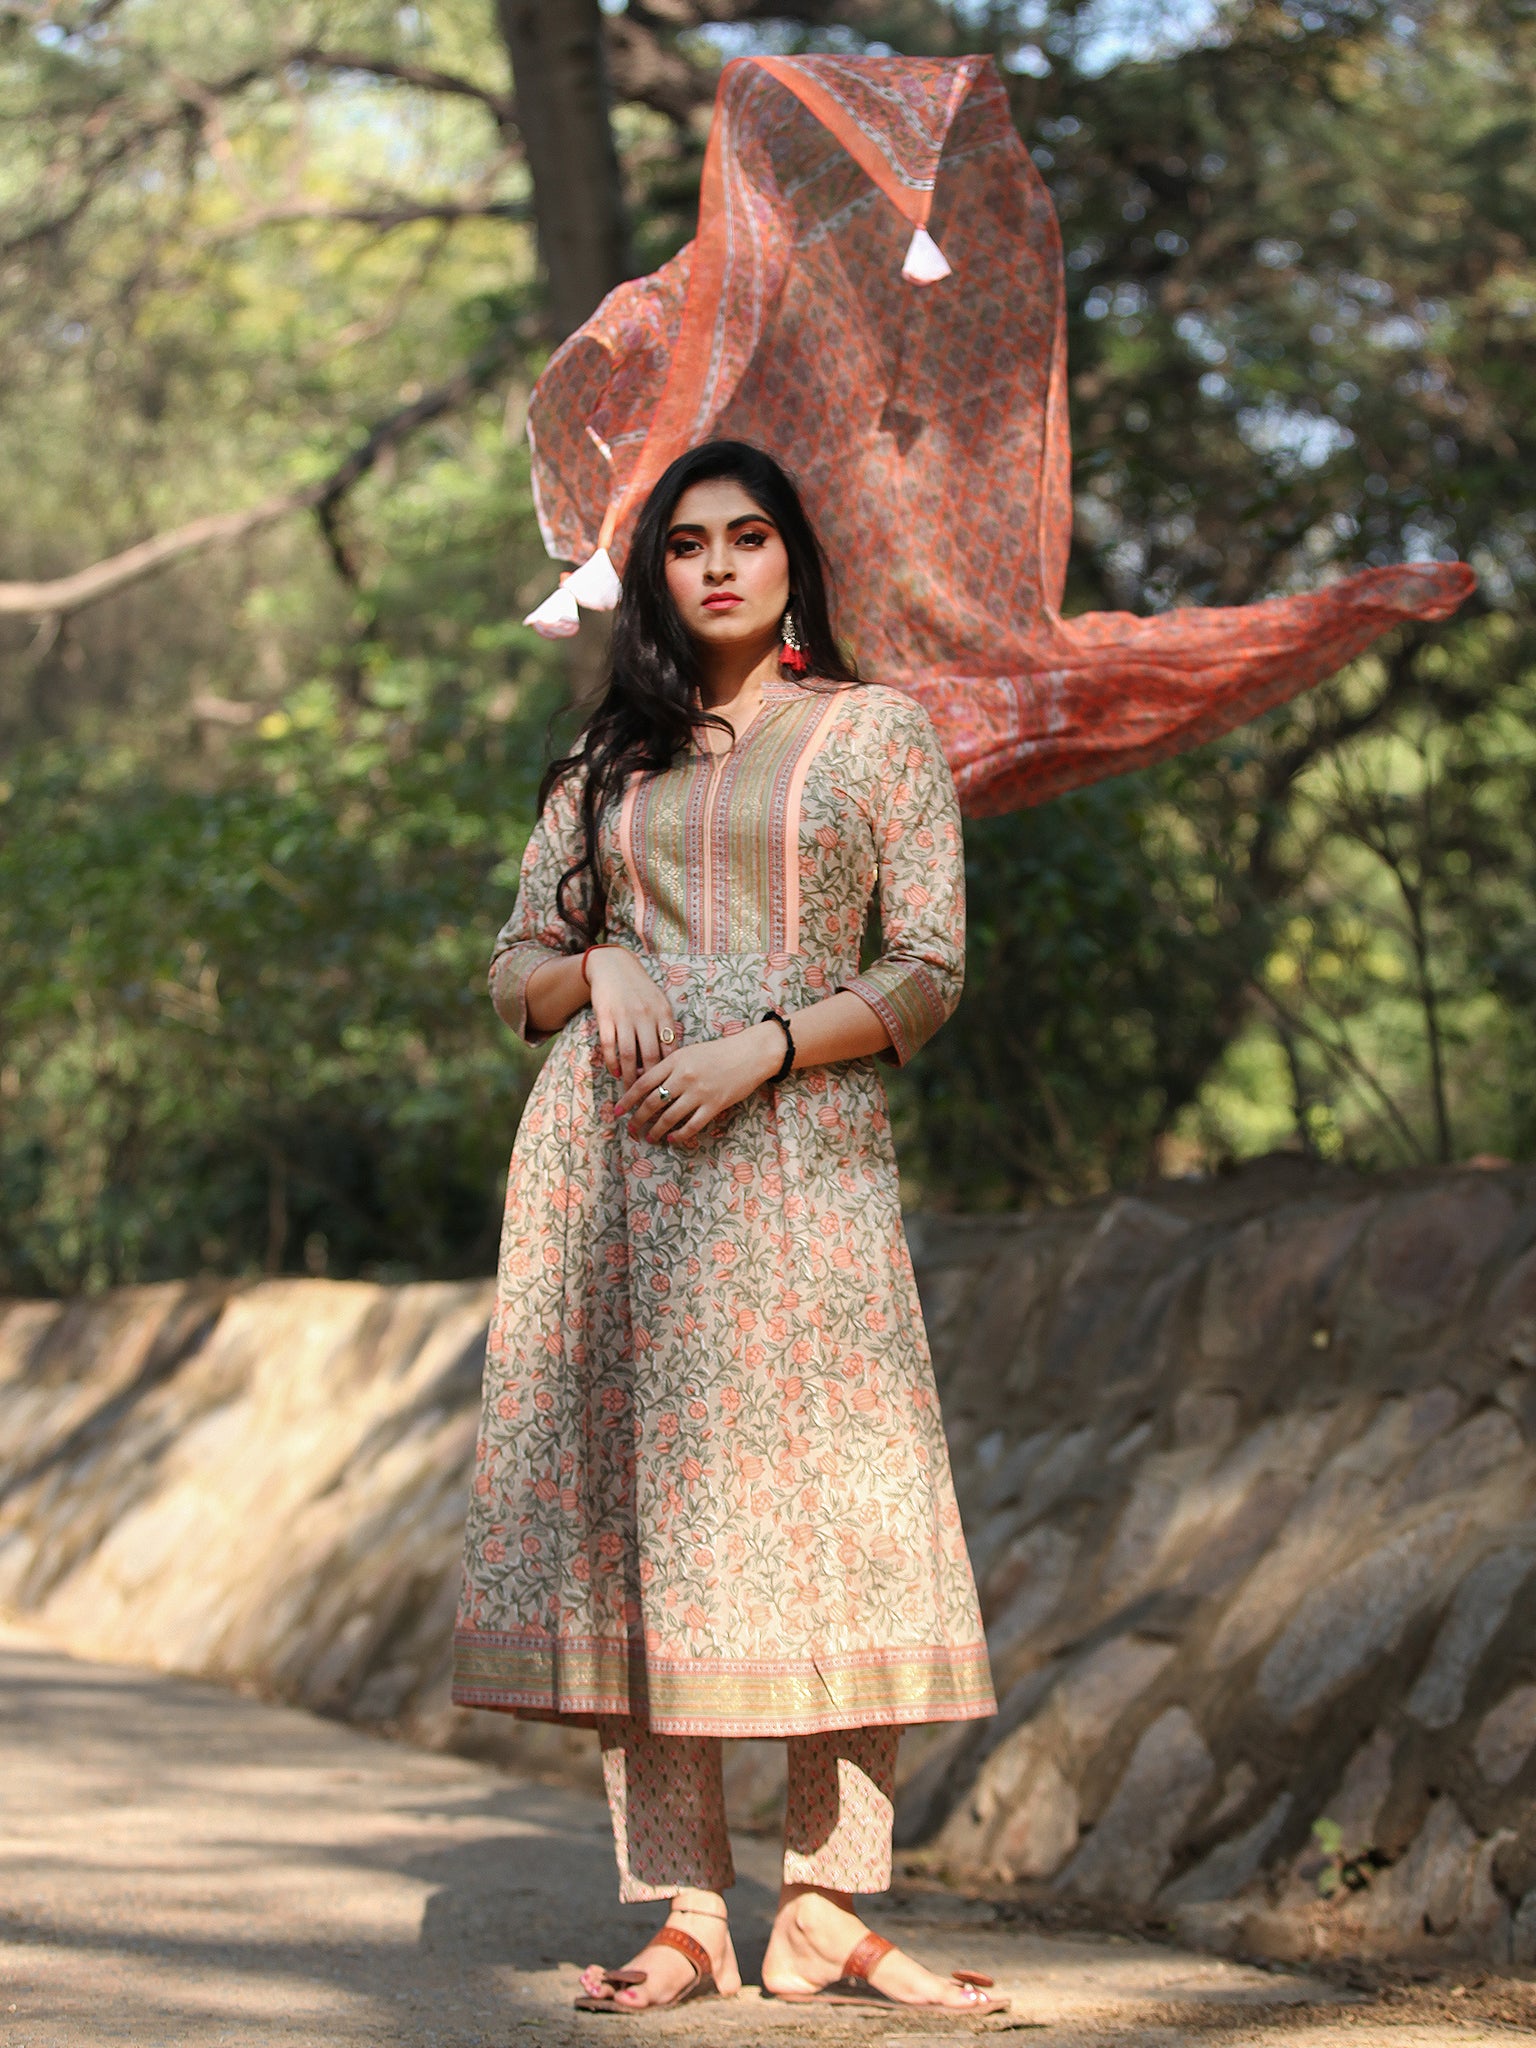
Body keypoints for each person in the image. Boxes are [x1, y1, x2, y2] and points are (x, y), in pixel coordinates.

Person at [452, 439, 1003, 2015]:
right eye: (687, 544)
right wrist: (600, 965)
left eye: (747, 538)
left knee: (845, 1505)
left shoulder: (874, 734)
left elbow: (927, 968)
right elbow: (513, 968)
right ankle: (691, 1908)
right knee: (654, 1526)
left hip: (802, 1155)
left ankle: (825, 1907)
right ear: (657, 576)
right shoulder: (605, 768)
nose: (716, 566)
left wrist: (760, 1048)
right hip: (619, 1168)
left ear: (791, 561)